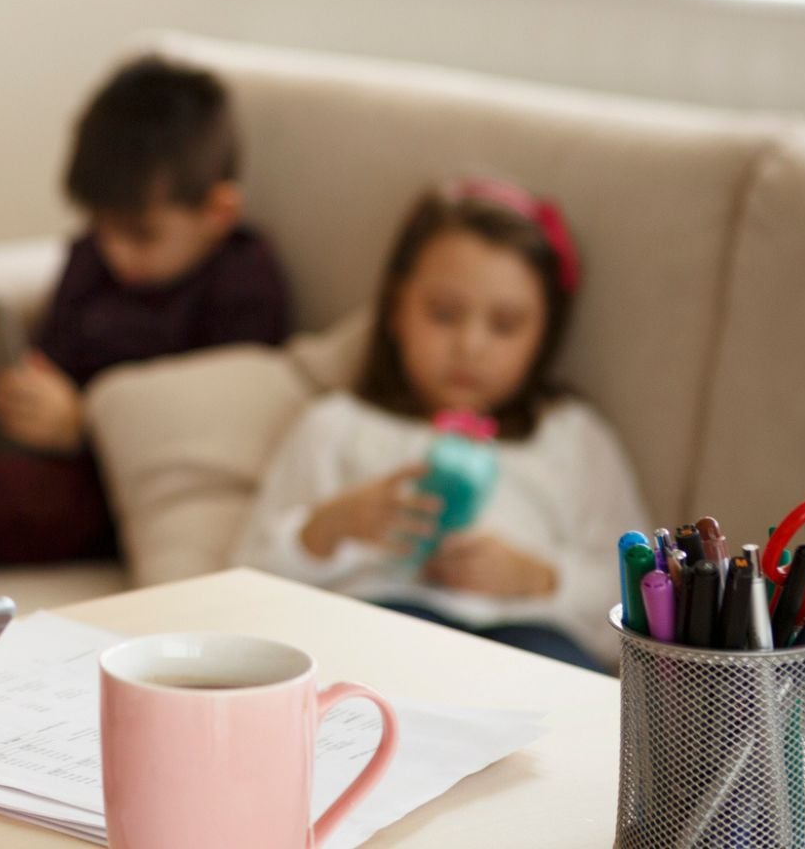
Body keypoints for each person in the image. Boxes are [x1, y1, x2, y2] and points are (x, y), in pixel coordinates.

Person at [0, 57, 294, 614]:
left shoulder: (243, 284)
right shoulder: (91, 258)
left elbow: (216, 433)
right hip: (24, 457)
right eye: (101, 226)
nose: (115, 251)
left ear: (218, 210)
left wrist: (84, 423)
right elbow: (52, 352)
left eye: (141, 235)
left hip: (106, 490)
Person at [234, 178, 650, 669]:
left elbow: (640, 596)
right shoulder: (337, 426)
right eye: (444, 314)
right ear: (396, 308)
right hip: (384, 622)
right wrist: (332, 527)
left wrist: (537, 579)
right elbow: (245, 582)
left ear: (545, 334)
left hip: (532, 640)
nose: (469, 345)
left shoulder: (571, 437)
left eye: (505, 325)